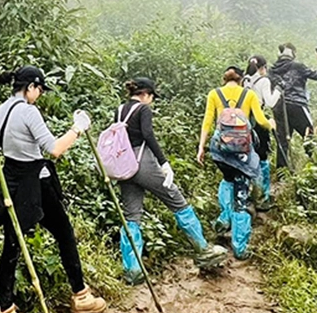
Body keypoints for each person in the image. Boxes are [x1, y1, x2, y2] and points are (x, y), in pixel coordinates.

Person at [0, 66, 108, 313]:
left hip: (11, 183)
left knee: (12, 243)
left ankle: (6, 312)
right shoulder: (29, 112)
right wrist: (78, 129)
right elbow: (53, 149)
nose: (39, 95)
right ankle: (81, 295)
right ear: (30, 87)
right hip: (36, 183)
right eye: (39, 89)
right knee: (64, 232)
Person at [113, 78, 227, 285]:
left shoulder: (120, 109)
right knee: (176, 200)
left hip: (124, 166)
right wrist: (164, 163)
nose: (152, 101)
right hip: (143, 163)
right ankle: (203, 249)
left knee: (131, 216)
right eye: (152, 97)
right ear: (146, 94)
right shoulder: (143, 109)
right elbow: (148, 134)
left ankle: (133, 270)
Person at [197, 66, 274, 260]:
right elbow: (260, 120)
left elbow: (207, 121)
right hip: (241, 151)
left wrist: (201, 147)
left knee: (227, 179)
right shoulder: (248, 95)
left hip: (220, 149)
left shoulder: (214, 94)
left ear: (224, 80)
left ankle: (224, 216)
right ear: (241, 80)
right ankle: (240, 248)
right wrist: (271, 124)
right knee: (242, 194)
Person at [269, 43, 317, 168]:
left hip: (279, 107)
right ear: (293, 54)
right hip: (297, 105)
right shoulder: (298, 66)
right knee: (309, 136)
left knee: (282, 141)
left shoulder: (272, 70)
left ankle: (282, 172)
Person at [243, 56, 280, 212]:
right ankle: (263, 196)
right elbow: (270, 102)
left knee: (250, 156)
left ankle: (250, 193)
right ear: (263, 67)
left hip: (245, 121)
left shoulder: (245, 80)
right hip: (259, 120)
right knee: (262, 157)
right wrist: (278, 90)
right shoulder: (264, 81)